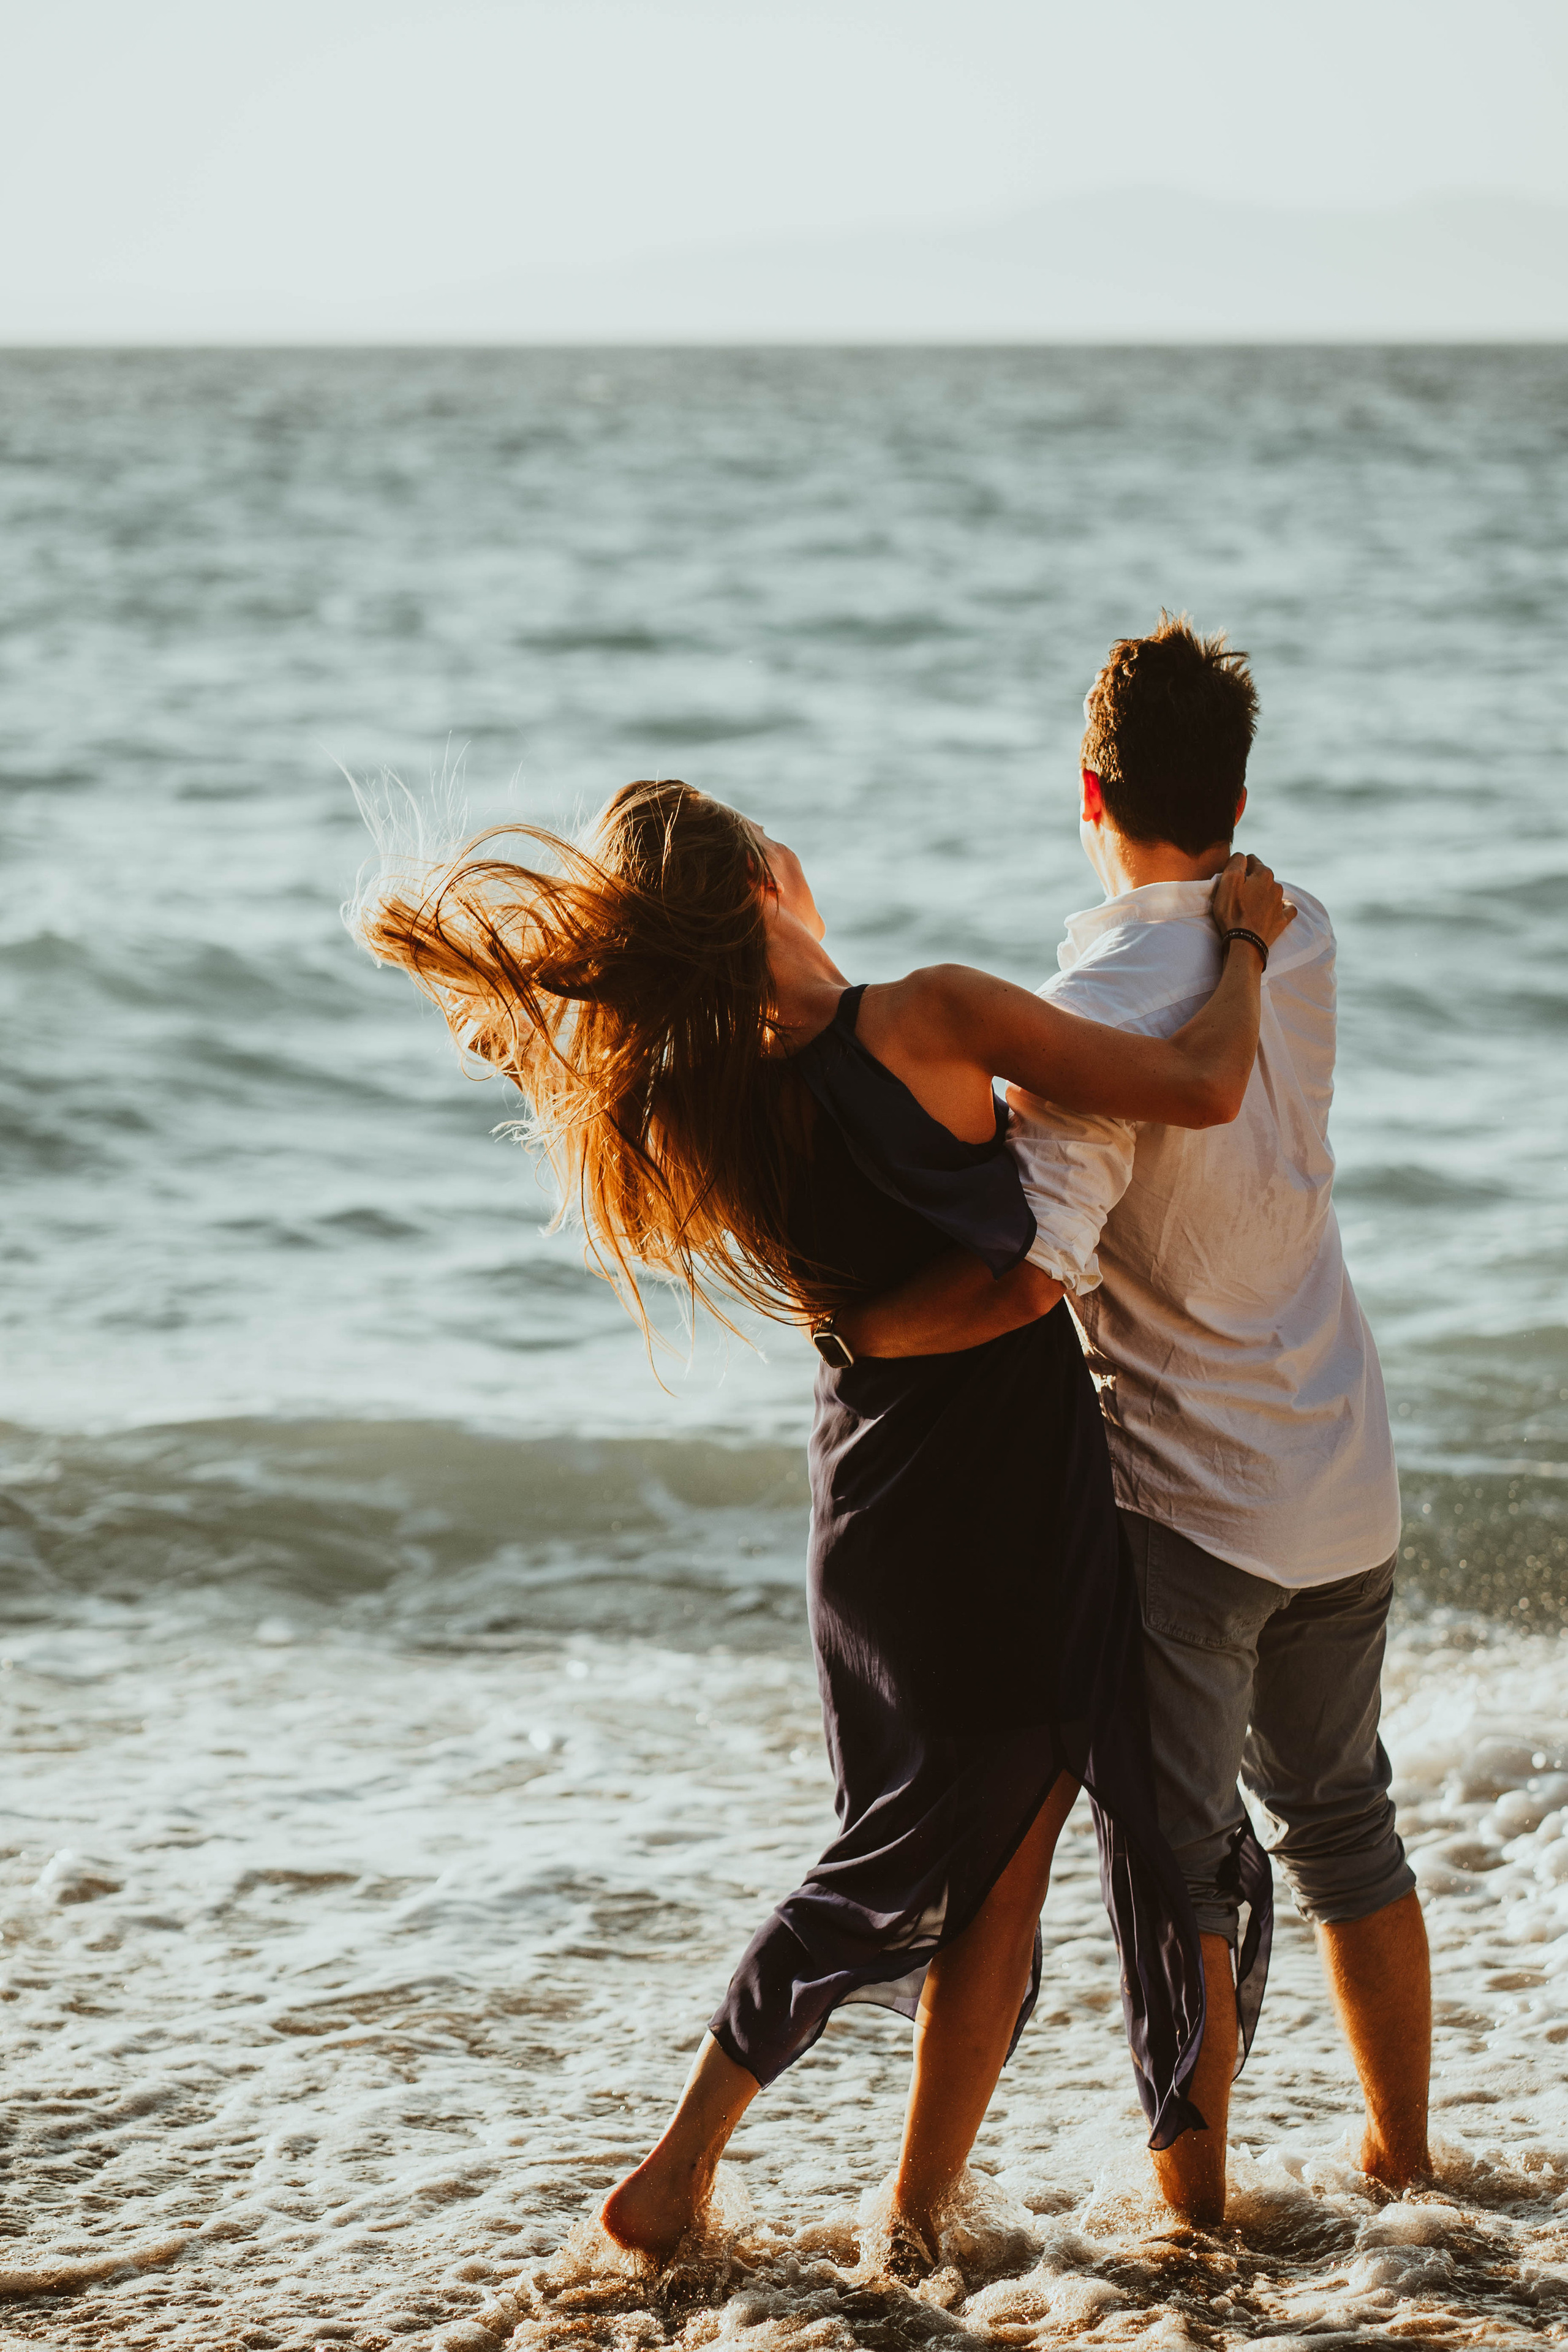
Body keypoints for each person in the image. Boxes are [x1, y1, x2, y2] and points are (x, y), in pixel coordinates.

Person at [350, 777, 1294, 2264]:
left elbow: (884, 1293)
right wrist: (1241, 945)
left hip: (873, 1490)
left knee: (940, 1852)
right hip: (998, 1495)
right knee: (976, 1854)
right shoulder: (928, 1012)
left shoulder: (713, 1099)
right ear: (758, 885)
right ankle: (700, 2176)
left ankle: (885, 2210)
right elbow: (1200, 1086)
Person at [845, 615, 1428, 2229]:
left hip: (1195, 1505)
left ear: (1087, 789)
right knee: (1345, 1823)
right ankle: (1404, 2164)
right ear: (1235, 797)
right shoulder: (1296, 934)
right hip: (1345, 1469)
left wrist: (867, 1331)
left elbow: (1032, 1279)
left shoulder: (1092, 1006)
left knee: (1177, 1866)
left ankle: (1199, 2219)